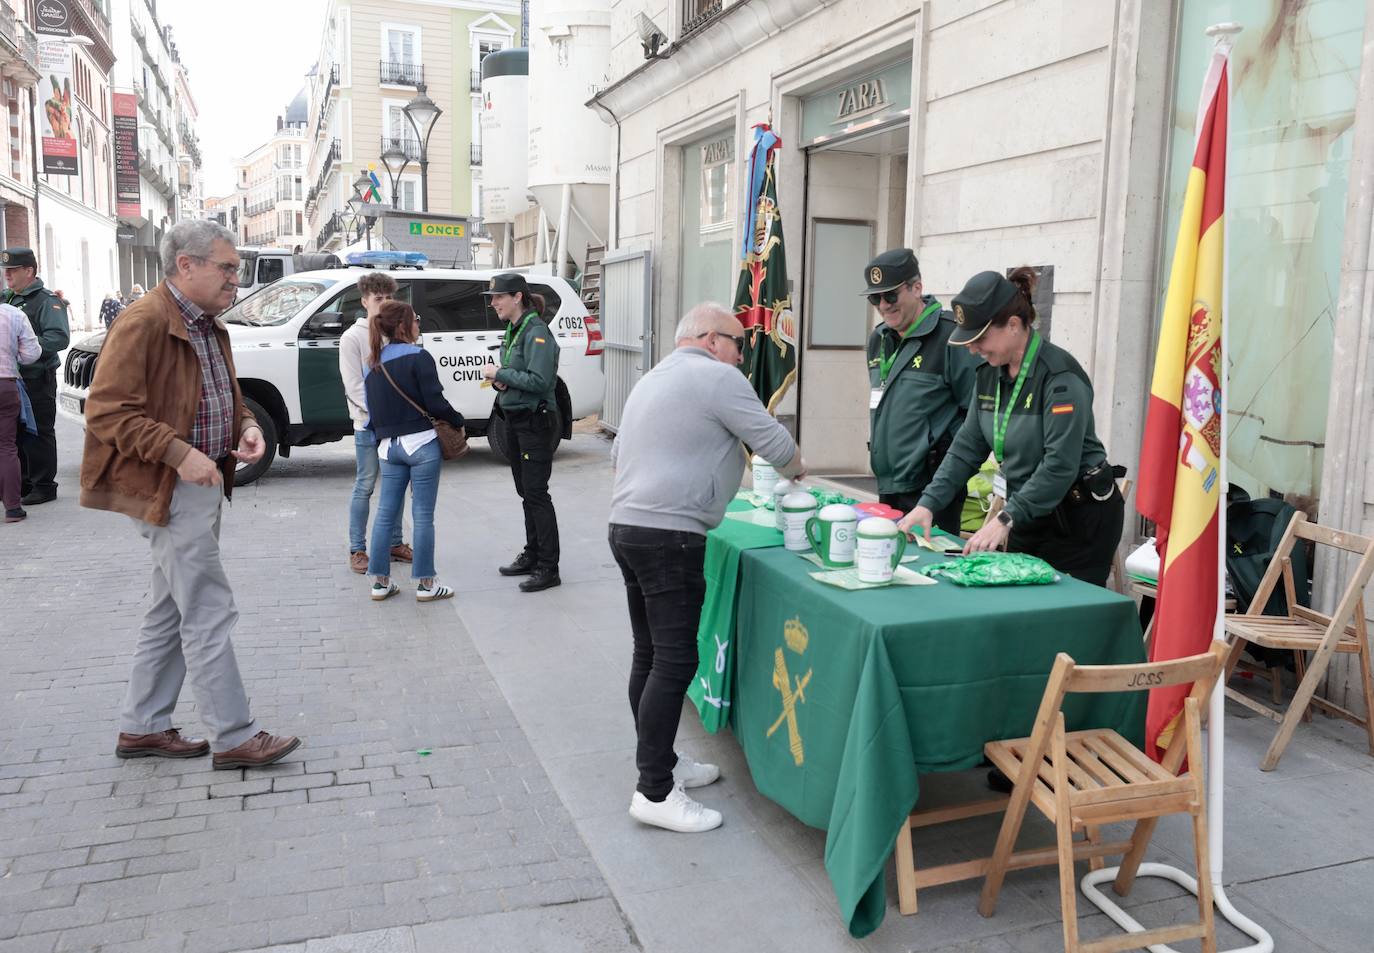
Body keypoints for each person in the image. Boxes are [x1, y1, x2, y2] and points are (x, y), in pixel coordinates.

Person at [80, 220, 301, 769]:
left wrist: (244, 423)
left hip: (197, 483)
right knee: (207, 608)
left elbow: (218, 394)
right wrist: (180, 453)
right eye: (226, 267)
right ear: (186, 265)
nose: (237, 278)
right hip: (169, 486)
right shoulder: (145, 321)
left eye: (236, 268)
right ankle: (233, 735)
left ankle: (144, 726)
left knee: (171, 611)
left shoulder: (205, 323)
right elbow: (106, 411)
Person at [609, 302, 806, 833]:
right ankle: (653, 790)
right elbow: (777, 445)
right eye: (739, 344)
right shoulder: (716, 376)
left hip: (627, 527)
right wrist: (799, 474)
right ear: (710, 339)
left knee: (649, 654)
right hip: (669, 537)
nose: (742, 357)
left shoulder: (652, 377)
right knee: (674, 662)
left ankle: (664, 764)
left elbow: (619, 456)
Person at [898, 268, 1125, 587]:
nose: (972, 349)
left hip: (1078, 520)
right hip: (1026, 514)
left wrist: (1004, 518)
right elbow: (966, 448)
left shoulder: (1059, 378)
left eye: (980, 338)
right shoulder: (989, 374)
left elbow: (1059, 465)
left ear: (1014, 326)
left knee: (1063, 621)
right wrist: (927, 504)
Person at [862, 248, 979, 533]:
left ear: (917, 288)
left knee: (929, 568)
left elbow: (976, 417)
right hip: (889, 481)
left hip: (933, 487)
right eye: (875, 298)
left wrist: (938, 458)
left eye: (891, 295)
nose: (883, 305)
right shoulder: (879, 338)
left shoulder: (951, 337)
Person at [363, 299, 464, 603]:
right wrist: (458, 421)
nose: (420, 324)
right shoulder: (420, 357)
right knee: (422, 516)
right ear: (405, 325)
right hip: (421, 445)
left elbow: (372, 414)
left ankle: (380, 583)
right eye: (417, 319)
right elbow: (436, 403)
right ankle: (426, 584)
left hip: (388, 449)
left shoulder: (372, 364)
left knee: (384, 515)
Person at [480, 273, 562, 593]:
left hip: (533, 423)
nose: (493, 302)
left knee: (537, 494)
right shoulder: (514, 329)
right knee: (526, 492)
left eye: (498, 296)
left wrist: (500, 373)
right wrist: (503, 381)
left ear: (517, 297)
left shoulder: (537, 332)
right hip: (514, 419)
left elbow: (540, 381)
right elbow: (521, 375)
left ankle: (548, 567)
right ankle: (533, 554)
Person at [339, 270, 411, 574]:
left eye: (389, 298)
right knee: (365, 485)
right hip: (368, 426)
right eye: (379, 298)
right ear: (365, 300)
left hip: (394, 426)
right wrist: (378, 414)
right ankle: (357, 548)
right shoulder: (352, 337)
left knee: (394, 486)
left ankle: (395, 543)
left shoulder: (393, 333)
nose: (384, 303)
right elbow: (353, 386)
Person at [2, 248, 69, 506]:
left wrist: (23, 344)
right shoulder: (8, 299)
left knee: (40, 431)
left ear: (29, 271)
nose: (7, 275)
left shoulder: (46, 300)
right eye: (5, 270)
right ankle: (25, 482)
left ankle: (43, 485)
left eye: (13, 270)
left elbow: (58, 337)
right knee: (18, 432)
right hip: (14, 378)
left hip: (36, 376)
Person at [1, 301, 40, 523]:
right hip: (5, 384)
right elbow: (31, 354)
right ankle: (13, 508)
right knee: (6, 447)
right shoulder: (14, 314)